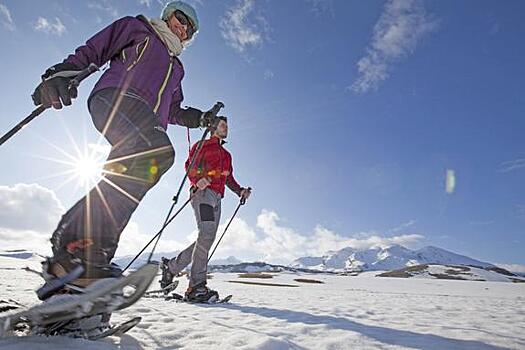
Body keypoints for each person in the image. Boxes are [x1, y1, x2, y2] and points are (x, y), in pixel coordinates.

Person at [32, 1, 216, 292]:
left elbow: (173, 110)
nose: (184, 28)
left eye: (190, 29)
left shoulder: (176, 68)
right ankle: (72, 247)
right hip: (116, 97)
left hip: (148, 122)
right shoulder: (139, 28)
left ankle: (89, 262)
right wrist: (64, 72)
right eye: (181, 19)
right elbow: (96, 49)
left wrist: (200, 117)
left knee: (136, 169)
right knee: (157, 152)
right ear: (169, 15)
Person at [161, 117, 251, 302]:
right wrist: (196, 181)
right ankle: (196, 286)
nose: (226, 127)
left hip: (218, 198)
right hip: (203, 194)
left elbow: (229, 179)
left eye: (227, 125)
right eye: (223, 125)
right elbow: (190, 165)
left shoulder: (226, 155)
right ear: (213, 127)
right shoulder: (203, 145)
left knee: (205, 237)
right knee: (207, 234)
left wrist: (240, 190)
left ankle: (171, 267)